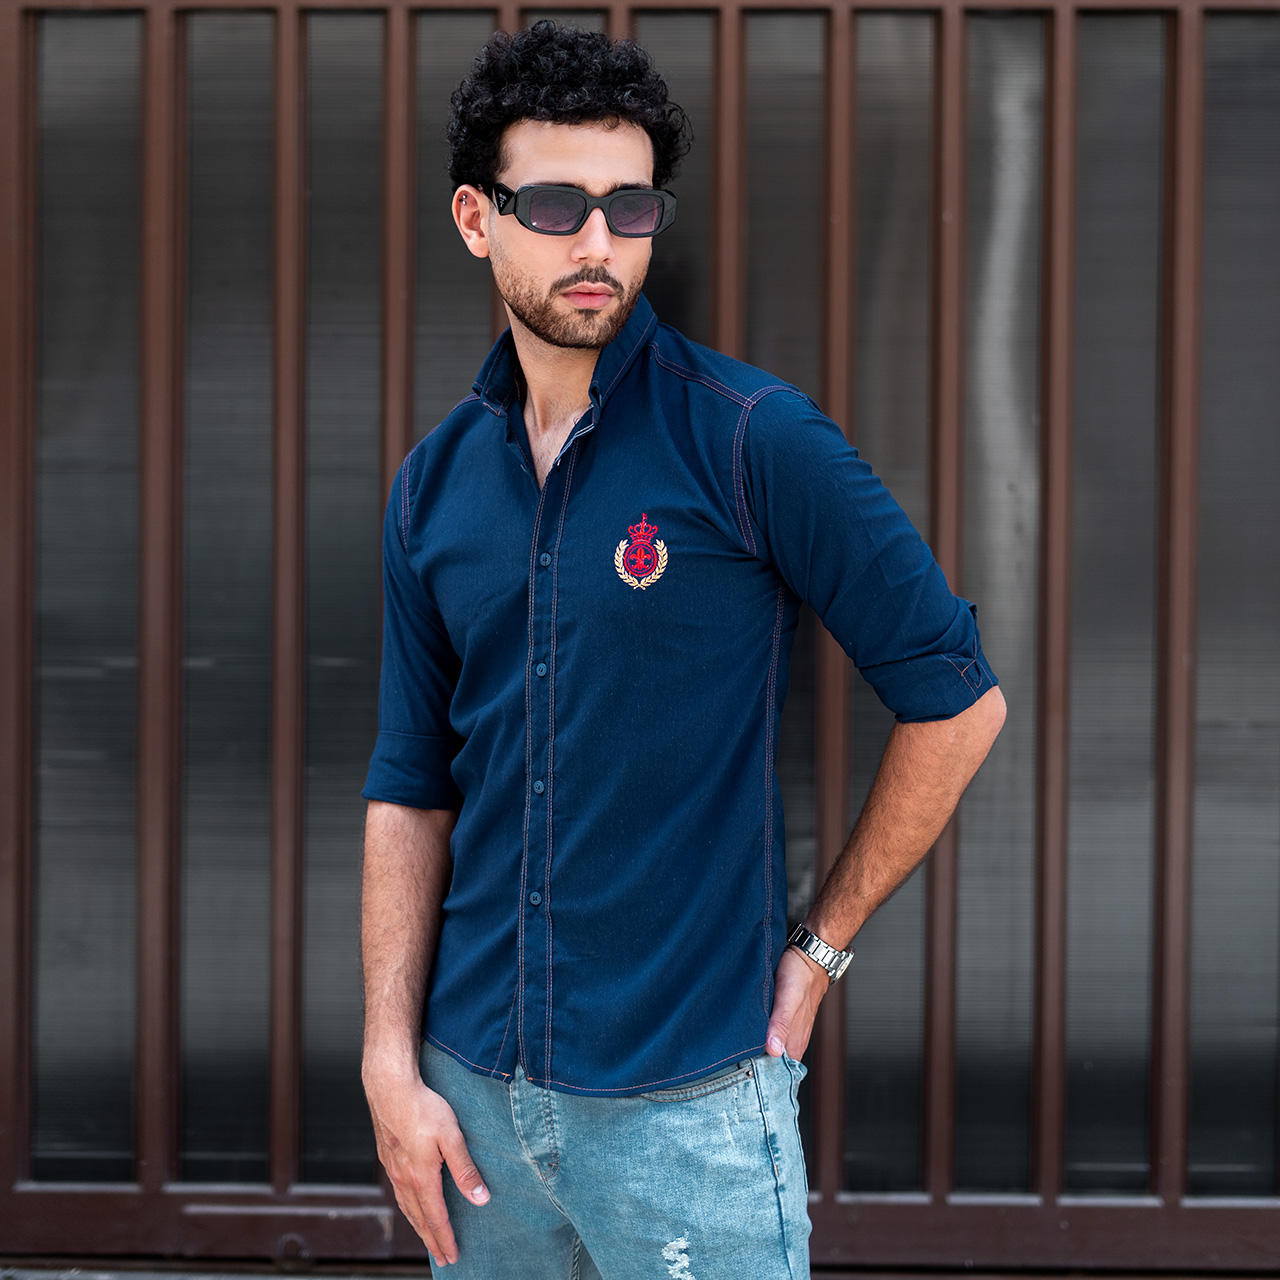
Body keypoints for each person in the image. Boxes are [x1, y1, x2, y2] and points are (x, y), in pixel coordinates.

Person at [360, 20, 1005, 1279]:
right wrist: (390, 1054)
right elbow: (410, 780)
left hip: (687, 1113)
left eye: (629, 206)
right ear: (476, 218)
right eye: (555, 205)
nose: (597, 244)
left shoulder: (752, 439)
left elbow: (955, 701)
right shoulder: (432, 484)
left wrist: (818, 950)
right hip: (470, 1106)